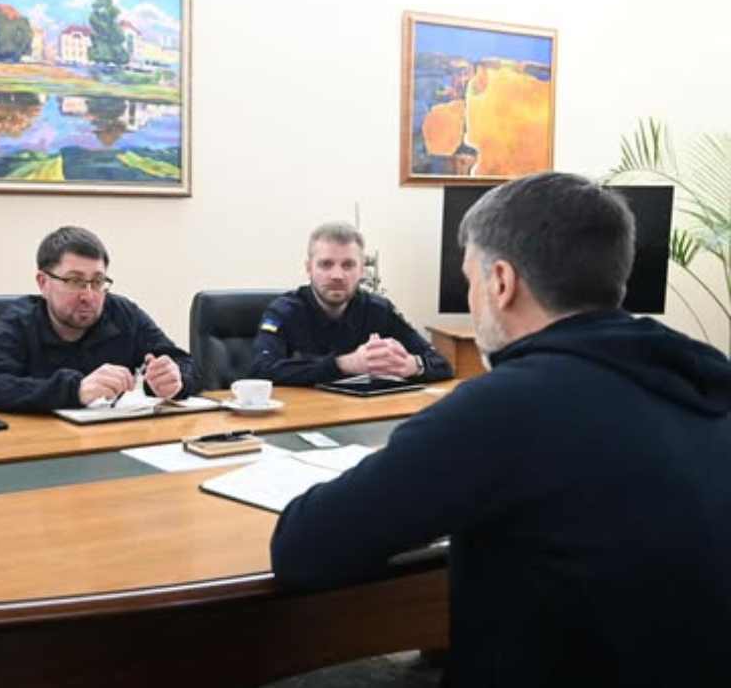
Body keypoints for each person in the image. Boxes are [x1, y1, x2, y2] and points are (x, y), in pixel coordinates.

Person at [271, 173, 731, 686]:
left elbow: (303, 548)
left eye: (470, 280)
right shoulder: (704, 379)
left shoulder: (502, 409)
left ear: (501, 282)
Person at [0, 225, 199, 412]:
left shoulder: (122, 313)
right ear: (43, 283)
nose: (88, 295)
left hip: (115, 441)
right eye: (75, 281)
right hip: (40, 446)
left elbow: (188, 365)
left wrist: (175, 380)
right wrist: (75, 390)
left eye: (97, 282)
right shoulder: (20, 321)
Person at [249, 222, 452, 385]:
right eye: (326, 264)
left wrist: (411, 365)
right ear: (309, 268)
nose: (337, 275)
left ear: (362, 270)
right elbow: (260, 369)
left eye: (348, 265)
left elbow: (442, 364)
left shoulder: (378, 310)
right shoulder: (284, 311)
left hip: (362, 416)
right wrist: (344, 364)